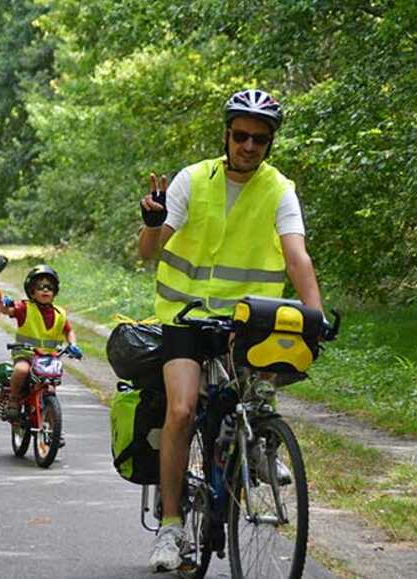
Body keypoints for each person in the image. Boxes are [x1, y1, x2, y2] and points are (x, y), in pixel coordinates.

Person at [138, 89, 324, 572]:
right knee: (180, 411)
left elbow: (296, 254)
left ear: (269, 144)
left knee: (258, 389)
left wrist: (314, 315)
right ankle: (172, 526)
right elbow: (147, 253)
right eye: (240, 135)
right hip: (185, 314)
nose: (248, 146)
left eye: (259, 140)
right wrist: (153, 225)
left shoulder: (279, 189)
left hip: (247, 318)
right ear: (226, 134)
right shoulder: (192, 180)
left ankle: (258, 441)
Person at [0, 265, 82, 420]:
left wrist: (73, 344)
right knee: (21, 370)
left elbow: (68, 331)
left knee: (50, 387)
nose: (45, 290)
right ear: (32, 291)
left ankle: (52, 426)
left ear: (55, 292)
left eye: (49, 288)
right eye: (40, 287)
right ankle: (14, 399)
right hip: (26, 354)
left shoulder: (60, 313)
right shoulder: (25, 307)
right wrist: (4, 304)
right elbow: (6, 311)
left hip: (49, 358)